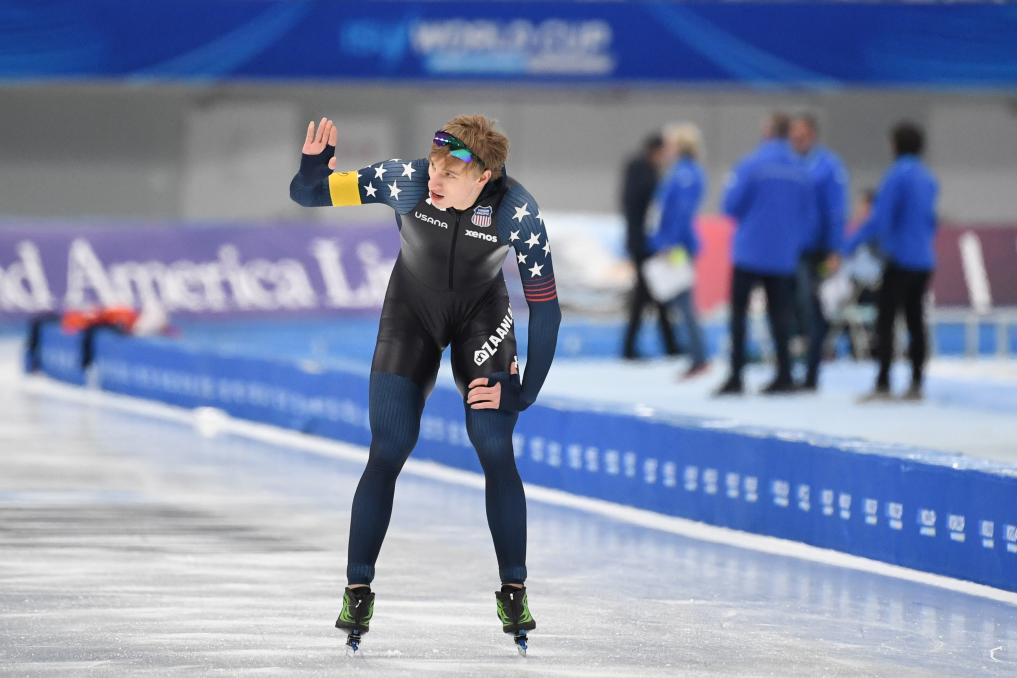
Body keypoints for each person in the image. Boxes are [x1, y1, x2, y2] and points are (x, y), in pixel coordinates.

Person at [289, 114, 561, 653]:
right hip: (410, 314)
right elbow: (308, 194)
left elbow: (546, 308)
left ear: (483, 177)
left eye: (450, 174)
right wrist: (312, 170)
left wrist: (524, 392)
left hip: (481, 317)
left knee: (493, 443)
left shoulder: (516, 211)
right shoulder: (404, 180)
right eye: (434, 166)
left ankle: (514, 589)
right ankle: (357, 589)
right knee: (389, 447)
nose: (435, 179)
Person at [716, 113, 814, 396]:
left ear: (768, 132)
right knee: (781, 316)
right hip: (783, 254)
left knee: (739, 314)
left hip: (749, 251)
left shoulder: (751, 164)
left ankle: (736, 375)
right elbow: (808, 214)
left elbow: (731, 205)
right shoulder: (801, 170)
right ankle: (784, 374)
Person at [841, 121, 938, 401]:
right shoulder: (928, 178)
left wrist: (850, 244)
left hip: (899, 259)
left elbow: (880, 219)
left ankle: (883, 382)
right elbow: (930, 219)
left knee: (886, 320)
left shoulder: (896, 176)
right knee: (916, 321)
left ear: (894, 145)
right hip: (923, 259)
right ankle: (917, 383)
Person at [789, 113, 849, 390]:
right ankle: (793, 368)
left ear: (812, 134)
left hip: (818, 252)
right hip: (792, 249)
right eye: (793, 133)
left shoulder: (828, 166)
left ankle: (812, 371)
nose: (796, 138)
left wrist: (835, 249)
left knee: (812, 306)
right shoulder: (789, 164)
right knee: (795, 307)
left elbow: (835, 210)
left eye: (801, 133)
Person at [645, 123, 710, 379]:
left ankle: (699, 357)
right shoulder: (682, 172)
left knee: (685, 303)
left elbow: (680, 213)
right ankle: (697, 356)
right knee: (682, 303)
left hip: (677, 247)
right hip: (675, 243)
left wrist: (668, 244)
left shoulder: (684, 174)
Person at [620, 133, 682, 360]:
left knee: (654, 294)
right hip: (644, 244)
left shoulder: (643, 171)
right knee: (649, 294)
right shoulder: (642, 172)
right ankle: (636, 347)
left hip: (644, 242)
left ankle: (667, 344)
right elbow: (643, 207)